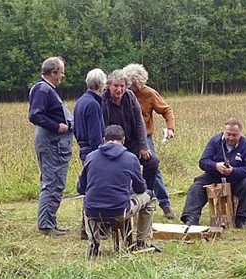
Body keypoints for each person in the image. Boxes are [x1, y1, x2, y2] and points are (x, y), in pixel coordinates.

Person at [77, 125, 157, 256]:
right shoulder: (131, 158)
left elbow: (81, 189)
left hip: (93, 211)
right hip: (120, 211)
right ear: (123, 140)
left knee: (87, 201)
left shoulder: (90, 157)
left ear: (104, 139)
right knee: (150, 197)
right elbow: (140, 188)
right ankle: (141, 241)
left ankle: (93, 243)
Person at [180, 118, 246, 228]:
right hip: (214, 176)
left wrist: (233, 171)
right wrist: (215, 166)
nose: (231, 138)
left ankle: (242, 218)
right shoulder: (215, 141)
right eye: (228, 134)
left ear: (240, 134)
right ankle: (191, 217)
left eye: (234, 135)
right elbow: (203, 161)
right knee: (196, 186)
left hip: (236, 179)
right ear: (224, 132)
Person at [123, 63, 176, 219]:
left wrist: (170, 128)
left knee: (153, 166)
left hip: (145, 137)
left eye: (136, 87)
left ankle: (164, 204)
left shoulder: (149, 94)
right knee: (125, 169)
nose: (133, 90)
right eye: (130, 86)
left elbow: (166, 110)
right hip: (126, 139)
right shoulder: (122, 93)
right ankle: (128, 203)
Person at [28, 56, 73, 236]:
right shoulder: (42, 89)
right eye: (61, 72)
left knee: (55, 181)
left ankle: (50, 222)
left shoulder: (47, 89)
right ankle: (46, 225)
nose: (62, 75)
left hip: (54, 144)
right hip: (51, 143)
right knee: (52, 181)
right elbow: (34, 115)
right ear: (54, 72)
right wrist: (57, 126)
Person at [101, 69, 159, 192]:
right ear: (109, 86)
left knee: (152, 162)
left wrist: (143, 146)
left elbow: (139, 121)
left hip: (133, 142)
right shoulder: (103, 100)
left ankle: (146, 194)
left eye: (122, 86)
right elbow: (102, 127)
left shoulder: (130, 96)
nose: (119, 90)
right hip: (113, 144)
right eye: (115, 86)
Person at [73, 68, 107, 240]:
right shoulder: (93, 104)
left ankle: (88, 228)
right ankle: (89, 229)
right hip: (93, 151)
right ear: (102, 84)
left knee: (90, 188)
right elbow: (95, 134)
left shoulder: (80, 101)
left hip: (83, 149)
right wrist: (102, 152)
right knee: (95, 190)